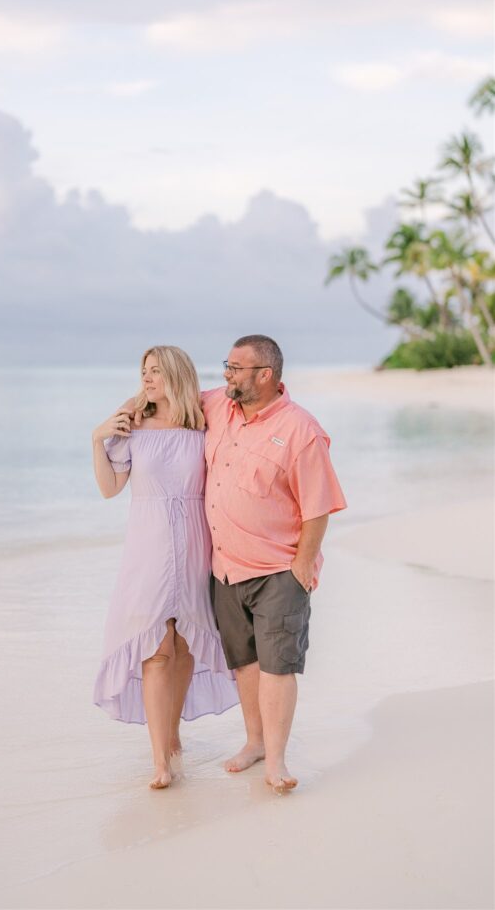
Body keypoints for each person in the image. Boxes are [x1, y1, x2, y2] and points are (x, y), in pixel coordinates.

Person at [203, 334, 347, 793]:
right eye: (225, 364)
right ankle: (254, 742)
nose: (226, 373)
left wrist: (303, 566)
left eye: (235, 367)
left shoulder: (302, 430)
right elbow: (171, 390)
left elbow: (318, 506)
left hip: (278, 570)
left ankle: (277, 761)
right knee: (244, 664)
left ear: (264, 375)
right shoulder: (217, 407)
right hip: (225, 567)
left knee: (277, 666)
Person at [92, 346, 237, 790]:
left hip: (197, 540)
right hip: (149, 544)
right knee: (156, 648)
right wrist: (96, 438)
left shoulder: (205, 423)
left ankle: (173, 740)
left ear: (176, 374)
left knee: (187, 643)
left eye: (155, 371)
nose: (147, 378)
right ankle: (159, 759)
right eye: (143, 371)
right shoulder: (132, 423)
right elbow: (109, 488)